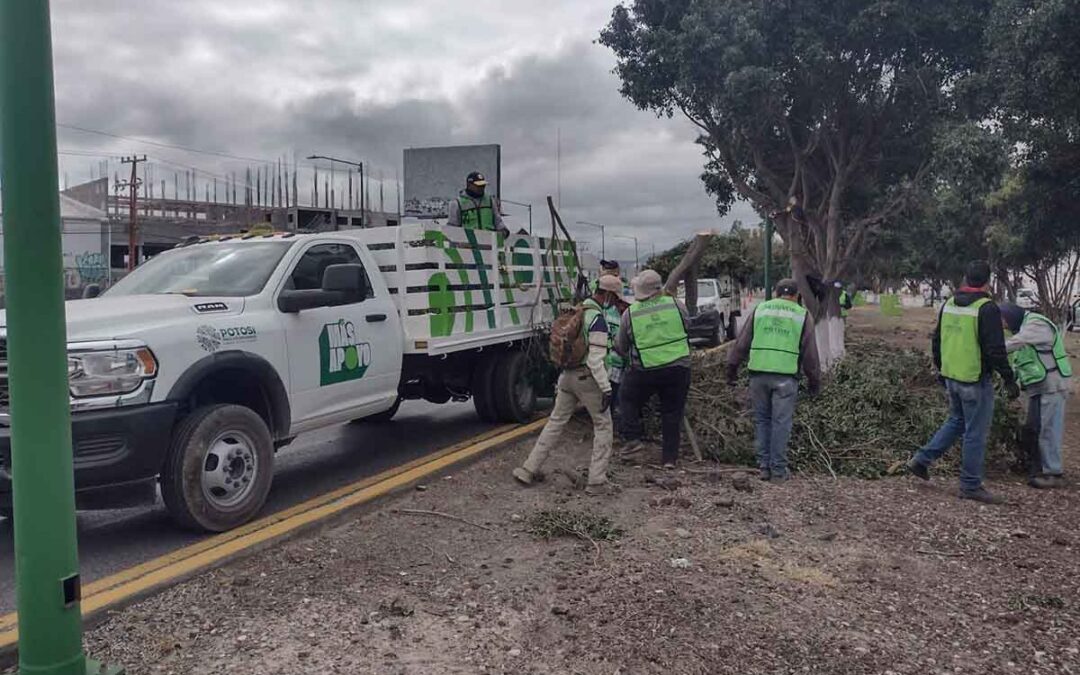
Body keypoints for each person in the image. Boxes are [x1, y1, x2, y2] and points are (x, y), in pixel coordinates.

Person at [905, 261, 1020, 504]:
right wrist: (1009, 379)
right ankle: (970, 485)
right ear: (987, 281)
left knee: (956, 421)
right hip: (974, 381)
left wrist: (940, 370)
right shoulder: (987, 308)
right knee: (975, 433)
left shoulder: (948, 305)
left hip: (952, 378)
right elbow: (995, 350)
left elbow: (936, 341)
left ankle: (921, 460)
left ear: (966, 278)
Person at [513, 283, 616, 495]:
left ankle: (528, 468)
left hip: (566, 376)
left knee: (555, 422)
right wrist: (606, 388)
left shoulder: (576, 311)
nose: (615, 303)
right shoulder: (596, 319)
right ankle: (597, 481)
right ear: (607, 295)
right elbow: (596, 360)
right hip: (587, 378)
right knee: (603, 425)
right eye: (614, 298)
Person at [726, 279, 822, 482]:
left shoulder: (760, 310)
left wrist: (732, 369)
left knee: (762, 420)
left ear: (776, 293)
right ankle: (778, 470)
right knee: (781, 423)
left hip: (759, 374)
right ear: (797, 296)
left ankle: (764, 467)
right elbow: (810, 355)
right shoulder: (802, 315)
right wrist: (815, 382)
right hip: (785, 378)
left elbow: (741, 343)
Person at [615, 270, 692, 469]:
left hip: (645, 369)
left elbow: (621, 346)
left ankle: (633, 440)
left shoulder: (630, 313)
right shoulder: (677, 305)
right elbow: (687, 327)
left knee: (627, 399)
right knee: (672, 413)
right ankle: (669, 459)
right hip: (678, 368)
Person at [1000, 302, 1072, 488]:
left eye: (1004, 321)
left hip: (1053, 385)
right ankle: (1038, 467)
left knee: (1048, 429)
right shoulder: (1023, 328)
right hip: (1038, 386)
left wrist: (989, 349)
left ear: (1011, 316)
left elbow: (1015, 344)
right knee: (1032, 427)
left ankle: (1053, 473)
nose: (1004, 326)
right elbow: (1021, 360)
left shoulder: (1035, 324)